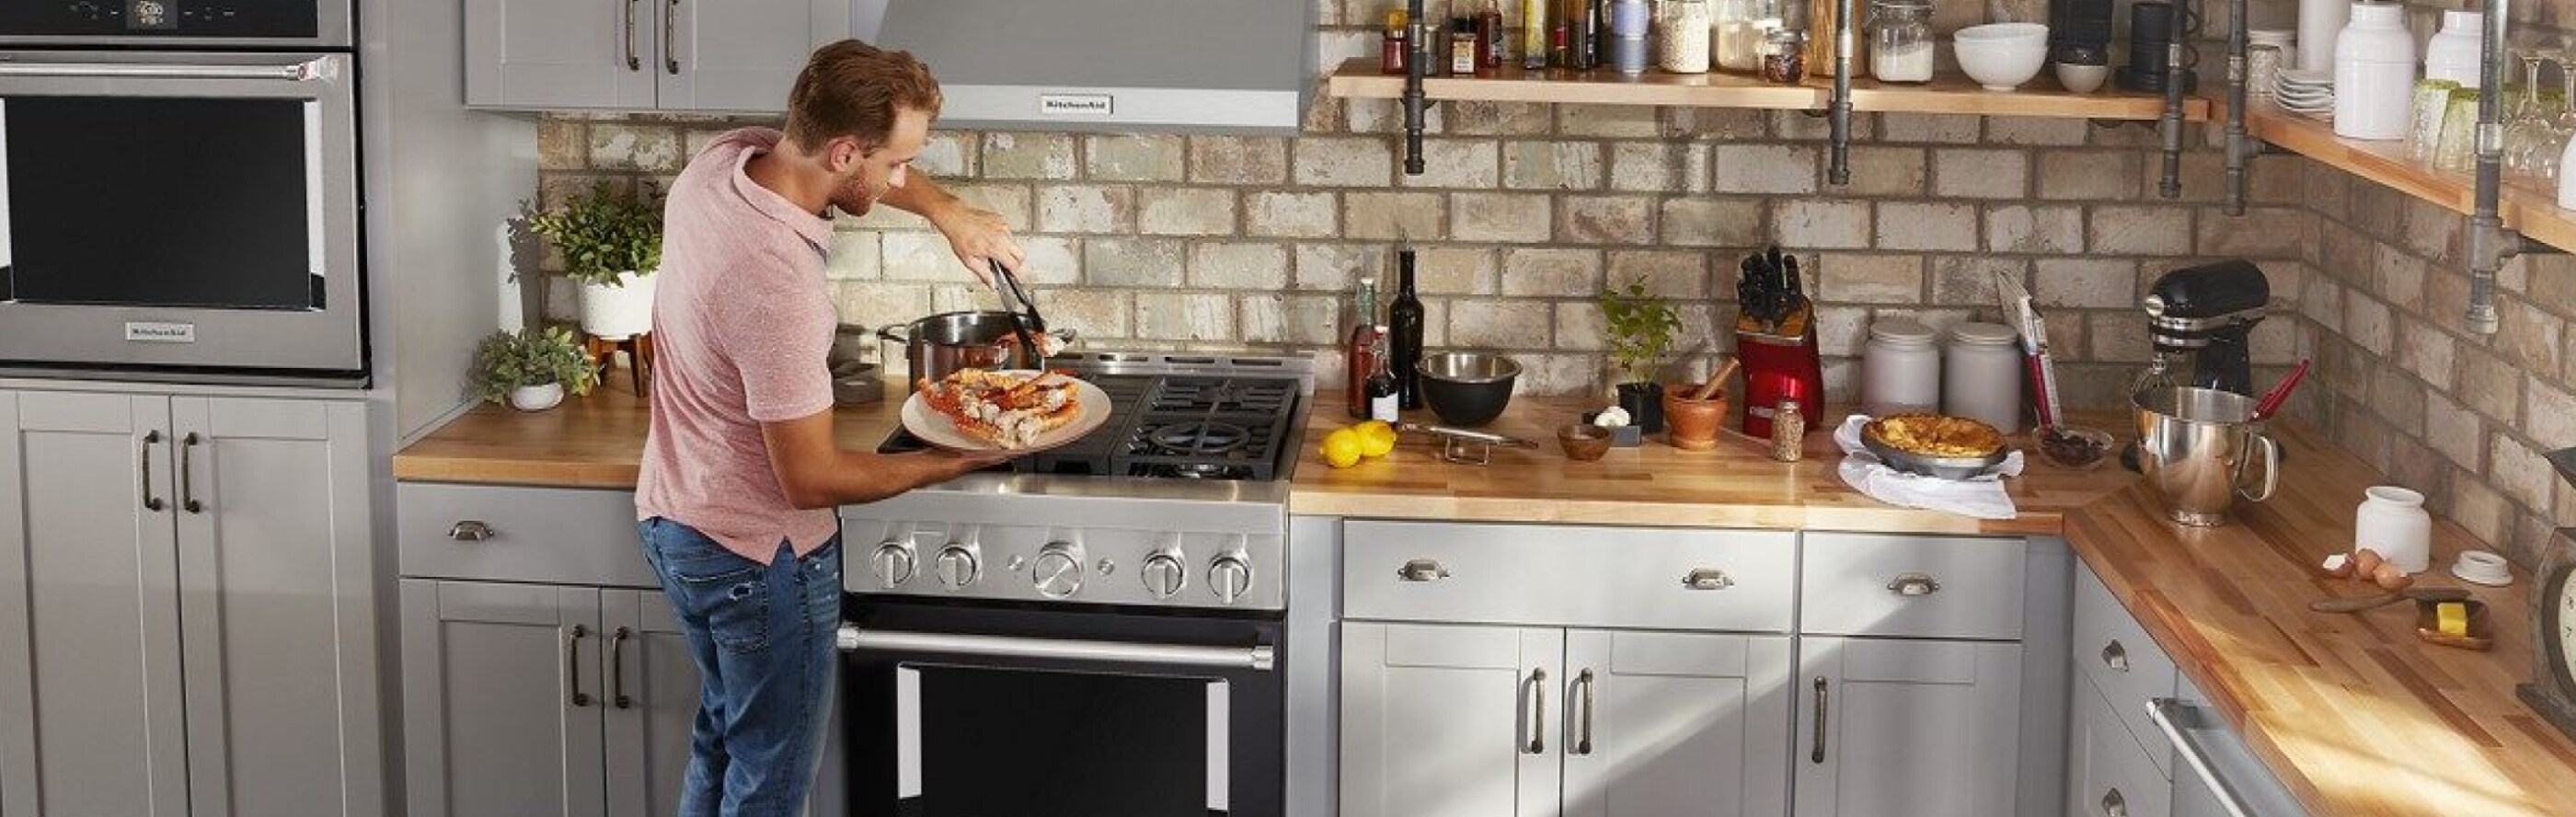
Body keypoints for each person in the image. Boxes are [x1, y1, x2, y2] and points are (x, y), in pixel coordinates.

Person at [634, 39, 1018, 817]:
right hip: (759, 558)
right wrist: (951, 458)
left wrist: (948, 212)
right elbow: (809, 479)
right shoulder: (777, 284)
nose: (901, 180)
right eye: (896, 164)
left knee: (725, 744)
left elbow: (852, 167)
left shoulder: (721, 166)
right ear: (844, 153)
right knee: (770, 788)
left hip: (677, 520)